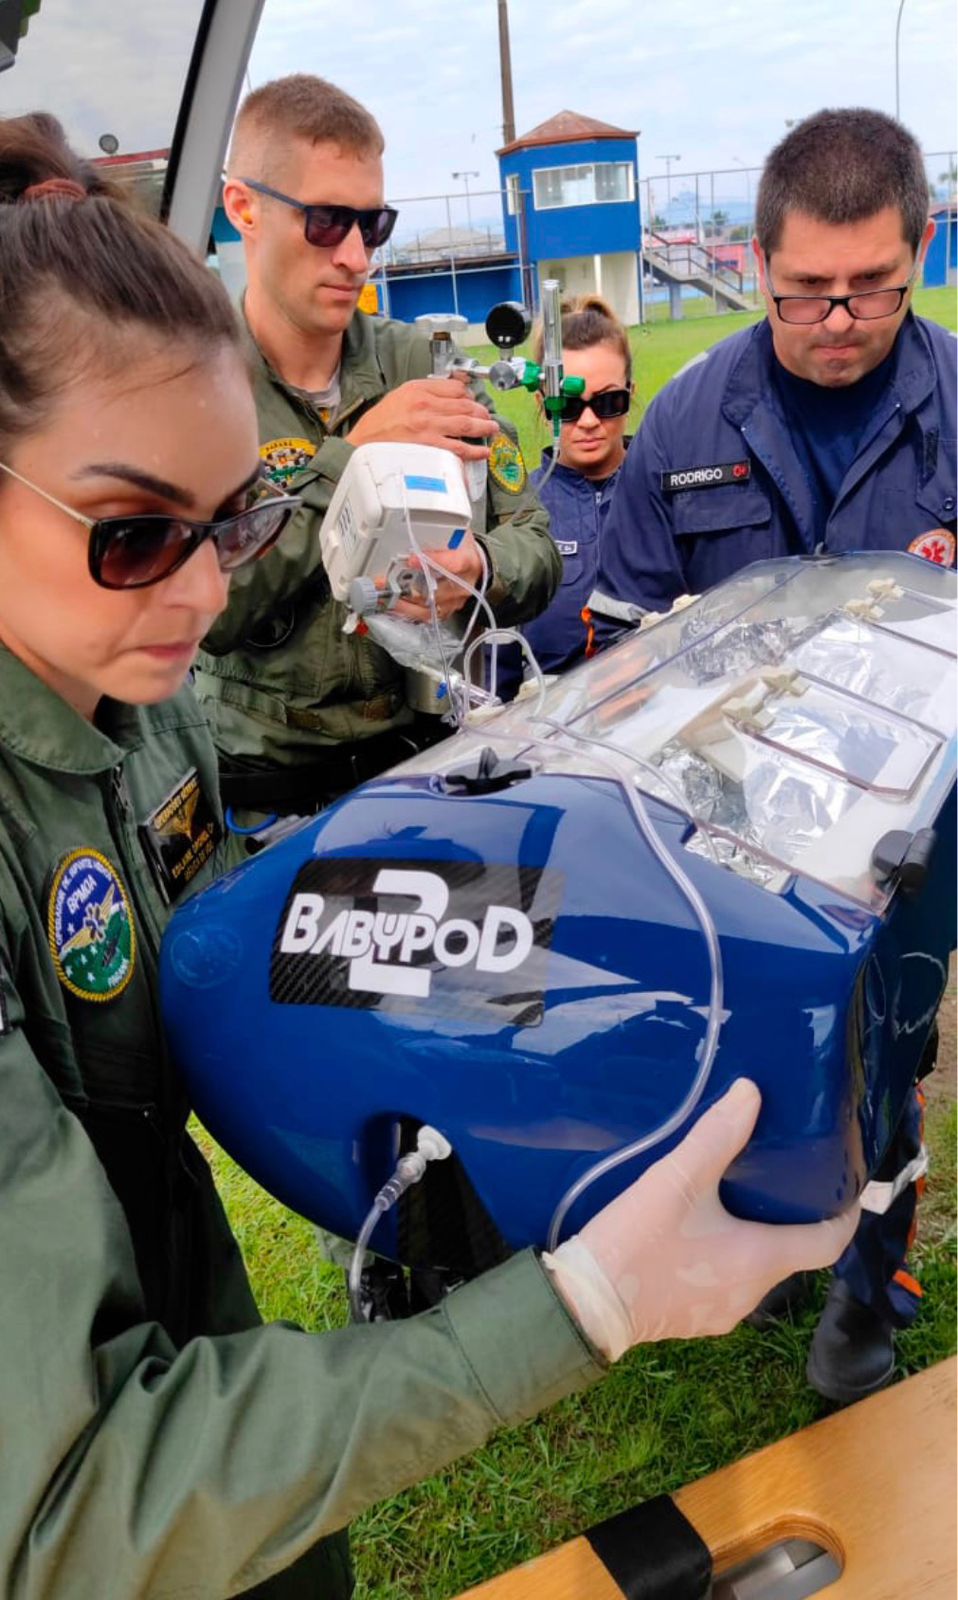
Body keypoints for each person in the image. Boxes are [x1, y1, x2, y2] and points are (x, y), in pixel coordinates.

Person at [0, 112, 860, 1600]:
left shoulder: (128, 702)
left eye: (234, 523)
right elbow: (72, 1505)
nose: (199, 593)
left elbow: (235, 958)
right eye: (135, 533)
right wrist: (581, 1306)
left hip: (206, 1372)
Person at [588, 107, 955, 1404]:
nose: (839, 318)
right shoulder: (687, 421)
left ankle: (868, 1283)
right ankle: (777, 1235)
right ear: (753, 264)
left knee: (889, 1054)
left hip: (912, 839)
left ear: (922, 249)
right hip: (727, 831)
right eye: (806, 290)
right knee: (747, 1046)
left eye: (873, 286)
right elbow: (615, 633)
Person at [193, 74, 561, 841]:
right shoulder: (194, 385)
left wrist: (478, 569)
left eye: (374, 224)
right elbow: (207, 609)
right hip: (269, 808)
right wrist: (354, 456)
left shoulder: (424, 369)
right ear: (244, 208)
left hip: (425, 779)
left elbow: (536, 542)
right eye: (327, 222)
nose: (356, 257)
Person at [494, 294, 633, 699]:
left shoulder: (663, 491)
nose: (589, 421)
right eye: (568, 405)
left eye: (608, 402)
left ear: (631, 394)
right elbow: (496, 663)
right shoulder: (519, 511)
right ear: (543, 404)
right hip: (552, 724)